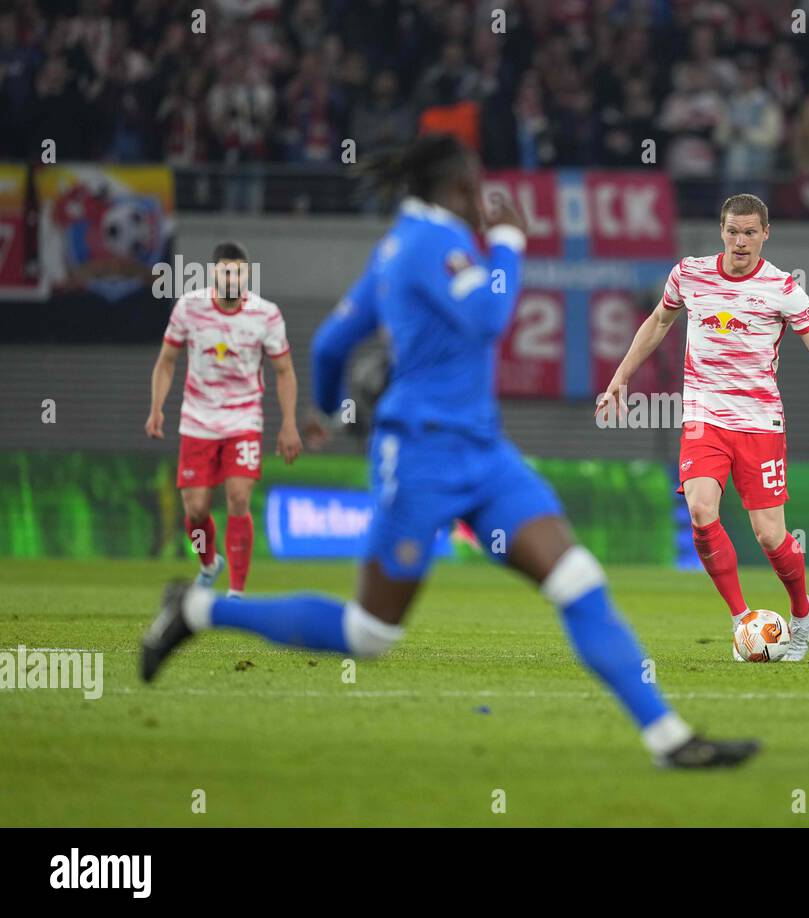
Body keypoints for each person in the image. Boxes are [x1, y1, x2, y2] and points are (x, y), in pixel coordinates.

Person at [140, 135, 759, 770]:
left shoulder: (399, 247)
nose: (483, 195)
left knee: (577, 580)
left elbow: (330, 345)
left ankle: (670, 740)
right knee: (369, 633)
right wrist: (513, 243)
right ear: (460, 188)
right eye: (477, 182)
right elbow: (490, 317)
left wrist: (329, 411)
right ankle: (195, 609)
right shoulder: (434, 243)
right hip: (422, 459)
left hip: (485, 455)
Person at [597, 193, 809, 662]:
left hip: (761, 424)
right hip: (704, 416)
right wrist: (621, 376)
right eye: (732, 231)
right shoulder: (689, 274)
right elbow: (659, 322)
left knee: (769, 536)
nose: (740, 241)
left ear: (766, 234)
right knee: (703, 510)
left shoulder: (784, 288)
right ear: (721, 231)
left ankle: (801, 610)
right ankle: (743, 619)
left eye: (750, 232)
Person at [145, 242, 301, 596]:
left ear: (247, 274)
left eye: (238, 271)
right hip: (197, 420)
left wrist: (288, 423)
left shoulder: (266, 314)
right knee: (196, 511)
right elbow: (167, 360)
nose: (231, 277)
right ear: (213, 273)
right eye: (225, 271)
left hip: (244, 419)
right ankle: (209, 562)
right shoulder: (189, 307)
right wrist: (157, 408)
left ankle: (237, 590)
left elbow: (285, 370)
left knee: (238, 498)